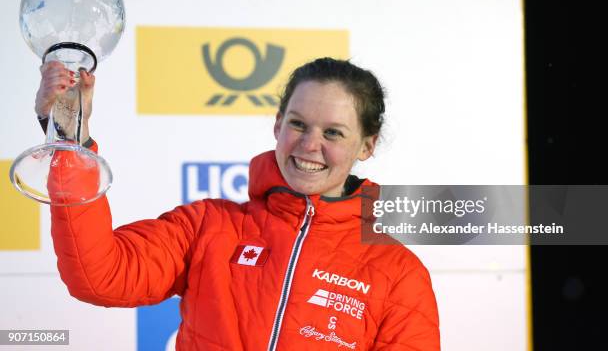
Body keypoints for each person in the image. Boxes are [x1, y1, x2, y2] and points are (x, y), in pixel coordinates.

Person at [38, 57, 440, 350]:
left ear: (366, 145)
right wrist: (70, 137)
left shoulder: (397, 273)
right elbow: (99, 275)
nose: (309, 145)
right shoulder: (210, 226)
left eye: (333, 133)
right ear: (278, 124)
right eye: (298, 124)